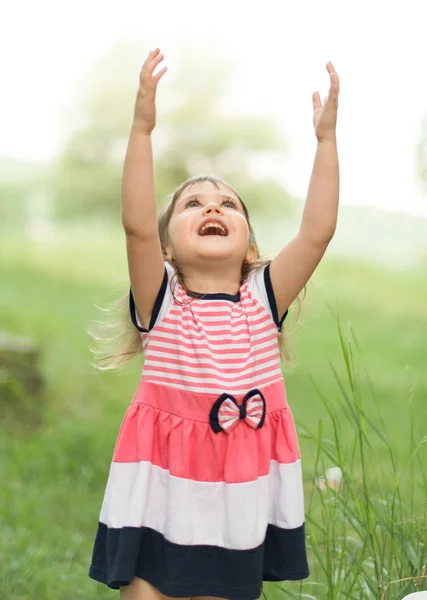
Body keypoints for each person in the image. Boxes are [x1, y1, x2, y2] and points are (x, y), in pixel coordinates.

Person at [88, 48, 340, 600]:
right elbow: (133, 225)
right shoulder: (162, 299)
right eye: (193, 203)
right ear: (166, 246)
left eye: (227, 202)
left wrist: (325, 144)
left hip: (236, 493)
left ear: (249, 244)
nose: (213, 208)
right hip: (161, 481)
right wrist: (141, 129)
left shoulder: (262, 297)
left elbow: (318, 232)